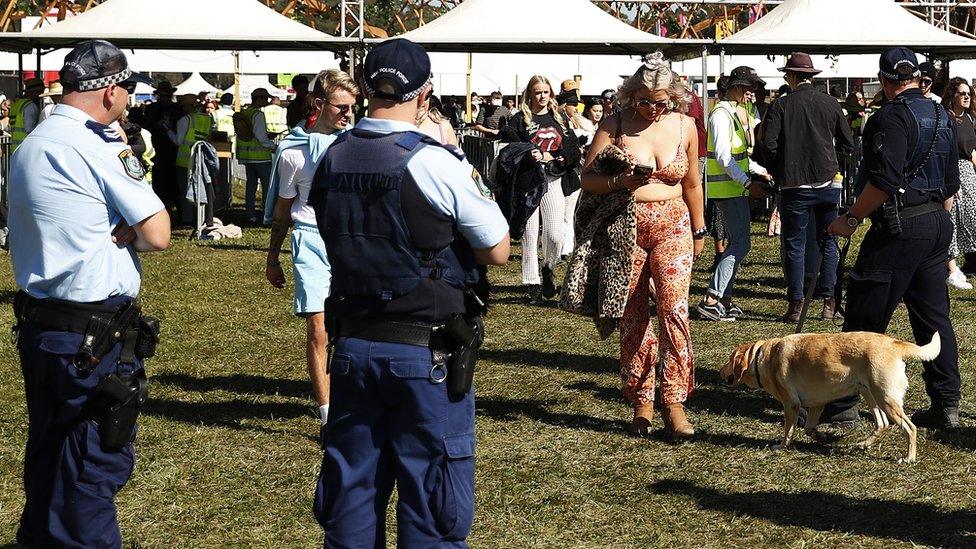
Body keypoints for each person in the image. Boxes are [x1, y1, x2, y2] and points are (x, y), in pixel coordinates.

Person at [308, 37, 510, 547]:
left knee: (351, 493)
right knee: (431, 500)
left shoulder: (332, 157)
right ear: (425, 96)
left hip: (353, 347)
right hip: (425, 352)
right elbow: (497, 249)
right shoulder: (434, 162)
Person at [8, 39, 170, 547]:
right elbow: (160, 232)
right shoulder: (94, 145)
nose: (128, 101)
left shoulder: (31, 143)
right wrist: (127, 229)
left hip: (43, 325)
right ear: (108, 93)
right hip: (93, 335)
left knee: (50, 451)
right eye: (126, 91)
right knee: (92, 465)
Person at [827, 47, 961, 431]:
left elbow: (883, 181)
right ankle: (946, 403)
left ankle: (842, 408)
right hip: (936, 221)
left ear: (885, 81)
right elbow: (950, 183)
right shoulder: (941, 113)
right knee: (934, 317)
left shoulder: (889, 117)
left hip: (901, 227)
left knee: (864, 319)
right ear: (917, 78)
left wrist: (850, 219)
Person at [579, 52, 705, 438]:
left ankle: (675, 401)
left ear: (675, 98)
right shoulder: (614, 124)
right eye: (645, 100)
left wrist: (700, 230)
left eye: (661, 101)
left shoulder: (685, 126)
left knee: (674, 311)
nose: (652, 108)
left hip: (673, 225)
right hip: (624, 228)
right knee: (632, 316)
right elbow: (587, 179)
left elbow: (692, 183)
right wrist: (620, 183)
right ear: (632, 95)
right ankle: (642, 401)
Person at [265, 69, 359, 430]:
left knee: (350, 327)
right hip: (310, 239)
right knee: (319, 329)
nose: (348, 114)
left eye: (353, 107)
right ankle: (327, 416)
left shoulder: (358, 144)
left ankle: (353, 399)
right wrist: (273, 258)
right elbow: (282, 210)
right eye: (341, 107)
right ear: (319, 104)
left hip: (351, 241)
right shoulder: (293, 153)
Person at [753, 52, 854, 322]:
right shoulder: (831, 103)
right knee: (828, 242)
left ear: (793, 76)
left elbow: (768, 144)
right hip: (827, 183)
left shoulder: (781, 105)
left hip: (794, 185)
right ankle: (829, 303)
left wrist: (778, 170)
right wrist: (836, 165)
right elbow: (848, 142)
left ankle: (796, 304)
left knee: (795, 245)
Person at [697, 66, 771, 321]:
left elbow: (740, 157)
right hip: (728, 189)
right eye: (750, 88)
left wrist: (760, 171)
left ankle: (723, 300)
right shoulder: (721, 114)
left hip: (733, 188)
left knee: (737, 243)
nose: (753, 93)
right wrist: (748, 183)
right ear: (738, 87)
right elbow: (724, 156)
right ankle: (712, 298)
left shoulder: (731, 112)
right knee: (741, 244)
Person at [500, 75, 581, 305]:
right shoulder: (519, 119)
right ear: (530, 94)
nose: (542, 96)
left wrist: (556, 157)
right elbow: (507, 149)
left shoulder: (560, 119)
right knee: (530, 233)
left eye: (546, 91)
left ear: (551, 94)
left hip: (554, 179)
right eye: (537, 92)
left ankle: (548, 267)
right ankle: (531, 282)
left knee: (555, 235)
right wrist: (527, 153)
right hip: (527, 182)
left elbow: (574, 150)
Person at [942, 77, 976, 287]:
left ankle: (969, 262)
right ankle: (951, 268)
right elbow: (946, 152)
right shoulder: (947, 118)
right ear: (952, 96)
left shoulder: (970, 118)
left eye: (968, 94)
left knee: (972, 217)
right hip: (952, 171)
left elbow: (971, 150)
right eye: (962, 93)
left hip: (969, 172)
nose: (966, 97)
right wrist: (951, 182)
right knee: (953, 220)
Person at [169, 94, 213, 226]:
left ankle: (187, 219)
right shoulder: (207, 119)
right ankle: (201, 217)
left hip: (185, 161)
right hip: (201, 159)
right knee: (201, 188)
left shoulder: (184, 120)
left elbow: (178, 141)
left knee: (186, 191)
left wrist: (168, 131)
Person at [142, 80, 183, 214]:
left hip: (174, 149)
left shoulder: (177, 108)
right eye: (162, 95)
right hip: (158, 148)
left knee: (175, 180)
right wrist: (158, 126)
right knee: (159, 179)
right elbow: (147, 125)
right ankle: (161, 206)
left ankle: (177, 205)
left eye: (167, 95)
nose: (165, 98)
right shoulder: (152, 108)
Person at [238, 88, 278, 223]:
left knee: (251, 186)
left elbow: (249, 134)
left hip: (247, 157)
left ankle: (250, 215)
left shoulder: (244, 113)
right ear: (259, 99)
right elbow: (261, 138)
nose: (267, 101)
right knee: (268, 187)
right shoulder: (258, 115)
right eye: (265, 98)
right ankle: (267, 216)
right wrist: (274, 147)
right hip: (261, 158)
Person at [9, 77, 46, 154]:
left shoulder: (16, 104)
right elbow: (29, 129)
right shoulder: (30, 106)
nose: (41, 96)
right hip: (26, 149)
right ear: (34, 92)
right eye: (40, 92)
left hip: (15, 148)